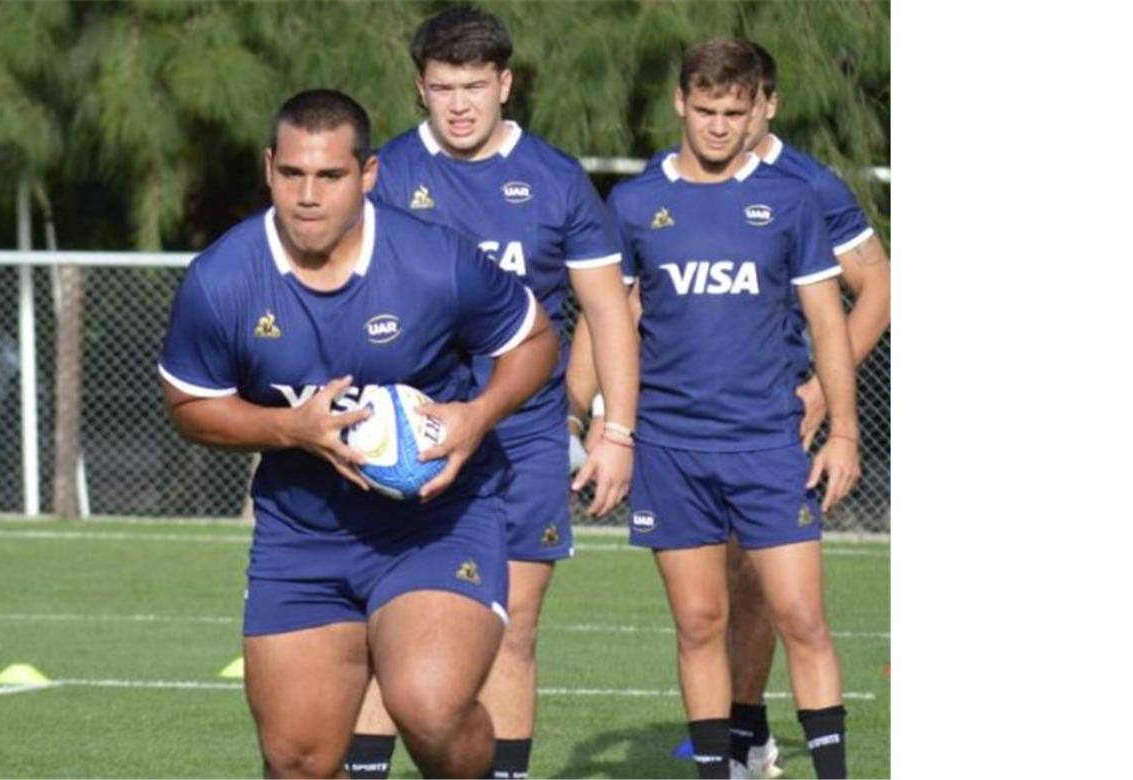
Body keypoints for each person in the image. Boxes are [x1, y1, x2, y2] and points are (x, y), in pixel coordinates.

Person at [157, 89, 557, 779]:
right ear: (269, 168)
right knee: (297, 762)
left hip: (436, 523)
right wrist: (289, 427)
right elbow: (190, 404)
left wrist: (478, 414)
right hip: (304, 536)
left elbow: (533, 339)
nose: (309, 195)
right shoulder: (222, 280)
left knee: (428, 706)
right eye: (293, 175)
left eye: (331, 176)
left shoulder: (435, 261)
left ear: (368, 174)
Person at [568, 39, 891, 780]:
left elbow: (835, 312)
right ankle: (731, 758)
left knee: (799, 615)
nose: (718, 125)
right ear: (681, 102)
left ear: (761, 108)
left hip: (768, 442)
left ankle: (810, 762)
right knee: (701, 621)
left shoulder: (797, 196)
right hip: (671, 450)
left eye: (733, 112)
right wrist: (581, 421)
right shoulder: (640, 200)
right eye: (705, 109)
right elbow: (606, 313)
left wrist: (838, 421)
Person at [342, 7, 640, 780]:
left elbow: (607, 309)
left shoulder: (554, 179)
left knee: (515, 630)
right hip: (408, 437)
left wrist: (616, 434)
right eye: (443, 88)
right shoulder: (388, 175)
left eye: (475, 85)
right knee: (390, 624)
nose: (460, 104)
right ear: (421, 89)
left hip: (526, 438)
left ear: (505, 83)